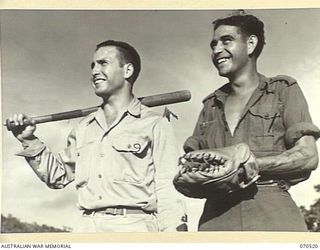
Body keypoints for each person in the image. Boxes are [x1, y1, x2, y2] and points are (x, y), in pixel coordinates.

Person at [7, 40, 187, 232]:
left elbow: (169, 189)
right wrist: (28, 140)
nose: (94, 71)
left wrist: (175, 238)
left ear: (127, 70)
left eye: (103, 63)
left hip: (135, 229)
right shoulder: (84, 127)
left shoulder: (155, 124)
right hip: (87, 229)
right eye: (93, 65)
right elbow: (57, 177)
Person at [183, 13, 320, 231]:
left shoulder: (282, 89)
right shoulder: (210, 105)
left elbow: (308, 156)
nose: (217, 49)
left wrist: (247, 163)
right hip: (216, 219)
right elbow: (191, 168)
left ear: (250, 44)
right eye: (213, 44)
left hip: (273, 213)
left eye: (226, 40)